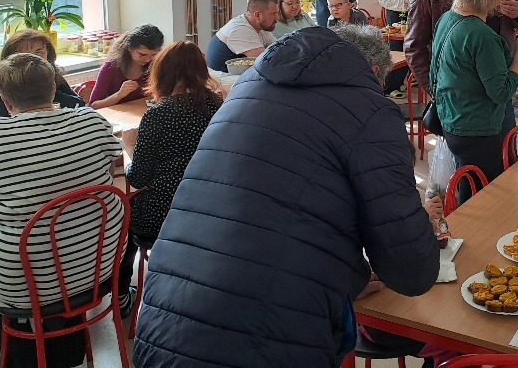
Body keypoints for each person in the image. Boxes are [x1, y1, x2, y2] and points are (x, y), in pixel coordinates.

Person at [132, 25, 439, 367]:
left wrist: (350, 275)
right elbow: (412, 272)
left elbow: (281, 210)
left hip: (162, 322)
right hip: (262, 341)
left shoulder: (244, 91)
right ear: (374, 72)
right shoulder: (370, 111)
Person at [0, 53, 124, 368]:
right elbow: (110, 166)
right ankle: (66, 343)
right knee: (60, 250)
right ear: (53, 88)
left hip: (25, 283)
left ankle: (14, 353)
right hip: (99, 267)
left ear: (5, 101)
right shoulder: (91, 120)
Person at [433, 0, 518, 202]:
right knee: (483, 200)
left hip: (452, 118)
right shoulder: (481, 35)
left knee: (468, 188)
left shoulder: (447, 18)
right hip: (478, 128)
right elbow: (501, 92)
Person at [125, 41, 223, 243]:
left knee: (122, 209)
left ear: (162, 73)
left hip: (165, 214)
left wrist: (129, 146)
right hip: (208, 208)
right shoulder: (217, 105)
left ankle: (123, 263)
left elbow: (138, 178)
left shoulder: (158, 114)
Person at [0, 28, 83, 133]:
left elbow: (78, 104)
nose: (32, 60)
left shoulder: (53, 76)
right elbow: (4, 125)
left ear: (48, 55)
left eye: (38, 53)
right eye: (23, 55)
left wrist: (49, 94)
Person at [89, 23, 165, 108]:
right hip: (118, 115)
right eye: (142, 55)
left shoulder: (156, 64)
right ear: (130, 48)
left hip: (143, 112)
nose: (148, 59)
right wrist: (119, 94)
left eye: (154, 55)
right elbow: (93, 105)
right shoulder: (111, 67)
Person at [205, 0, 278, 71]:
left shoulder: (260, 27)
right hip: (223, 77)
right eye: (273, 14)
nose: (277, 18)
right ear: (257, 15)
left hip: (237, 76)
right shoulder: (240, 29)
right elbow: (266, 63)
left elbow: (278, 49)